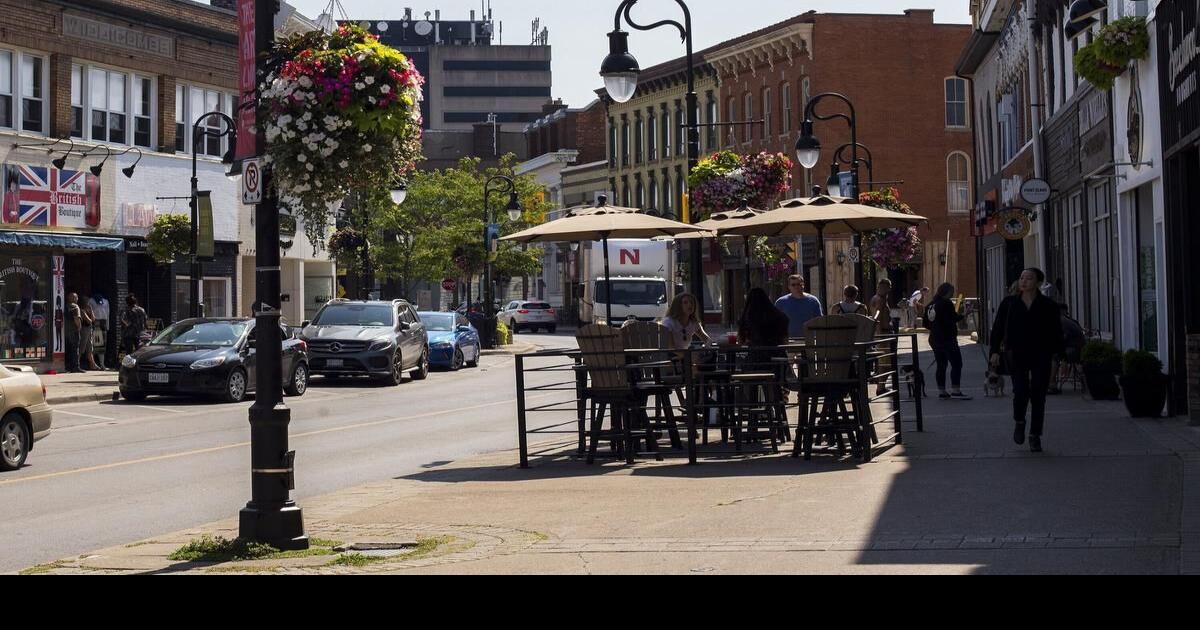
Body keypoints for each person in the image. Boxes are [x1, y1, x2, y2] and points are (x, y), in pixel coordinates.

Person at [990, 268, 1064, 453]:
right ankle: (1020, 421)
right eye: (1022, 277)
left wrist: (1058, 354)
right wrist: (995, 351)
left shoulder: (1048, 305)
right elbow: (998, 328)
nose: (1024, 281)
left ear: (1038, 282)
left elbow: (1056, 331)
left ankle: (1035, 435)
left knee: (1039, 395)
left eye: (1029, 278)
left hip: (1041, 353)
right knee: (1020, 392)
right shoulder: (1009, 303)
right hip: (1016, 353)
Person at [927, 283, 969, 400]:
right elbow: (952, 319)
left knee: (941, 364)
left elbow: (926, 321)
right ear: (947, 292)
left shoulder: (931, 304)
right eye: (952, 291)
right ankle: (955, 390)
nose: (953, 293)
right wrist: (964, 314)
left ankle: (942, 390)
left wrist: (935, 328)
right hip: (947, 338)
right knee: (956, 363)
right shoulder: (946, 303)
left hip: (935, 338)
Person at [1048, 304, 1087, 395]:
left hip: (1076, 350)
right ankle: (1050, 383)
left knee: (1054, 357)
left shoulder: (1062, 321)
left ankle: (1051, 384)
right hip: (1074, 348)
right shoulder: (1064, 320)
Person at [774, 275, 823, 339]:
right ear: (789, 287)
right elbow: (775, 323)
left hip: (809, 340)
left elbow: (820, 321)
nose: (796, 287)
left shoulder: (813, 301)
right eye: (793, 285)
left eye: (799, 284)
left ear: (803, 285)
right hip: (788, 341)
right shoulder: (781, 302)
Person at [64, 292, 82, 373]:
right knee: (75, 349)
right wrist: (79, 328)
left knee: (68, 349)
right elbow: (76, 319)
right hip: (74, 331)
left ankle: (68, 366)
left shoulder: (65, 306)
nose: (77, 299)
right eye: (76, 297)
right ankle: (76, 367)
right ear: (74, 298)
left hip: (66, 331)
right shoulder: (75, 307)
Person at [79, 301, 99, 371]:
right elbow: (89, 320)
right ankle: (77, 363)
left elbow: (93, 319)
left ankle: (92, 364)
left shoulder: (89, 309)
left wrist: (91, 310)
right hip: (84, 329)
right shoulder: (81, 310)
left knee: (89, 347)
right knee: (82, 346)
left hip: (89, 329)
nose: (88, 303)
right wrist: (90, 319)